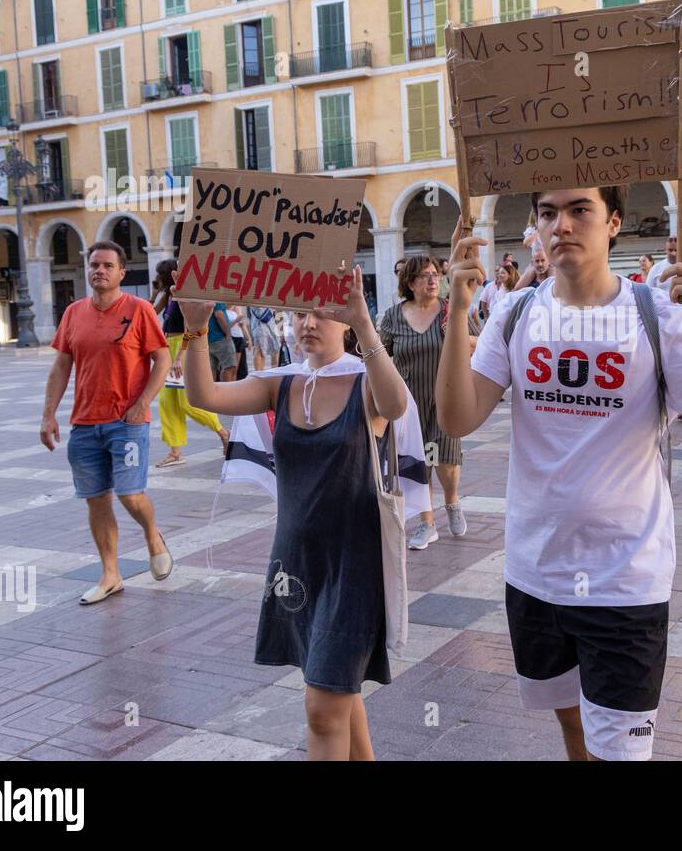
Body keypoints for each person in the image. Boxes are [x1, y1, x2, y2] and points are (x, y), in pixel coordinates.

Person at [436, 185, 682, 761]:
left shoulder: (655, 314)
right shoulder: (516, 311)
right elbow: (458, 417)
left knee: (620, 753)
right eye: (549, 213)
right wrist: (456, 306)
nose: (563, 225)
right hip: (536, 571)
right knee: (576, 733)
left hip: (625, 577)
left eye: (581, 211)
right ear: (535, 227)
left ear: (614, 223)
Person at [177, 265, 416, 761]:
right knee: (340, 694)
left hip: (354, 565)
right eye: (299, 313)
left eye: (323, 313)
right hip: (297, 562)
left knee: (321, 708)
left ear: (345, 321)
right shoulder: (279, 385)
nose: (309, 322)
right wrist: (196, 327)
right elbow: (204, 396)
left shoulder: (363, 383)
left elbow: (395, 405)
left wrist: (365, 326)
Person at [39, 241, 173, 605]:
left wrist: (143, 403)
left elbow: (162, 359)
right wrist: (49, 413)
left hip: (127, 421)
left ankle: (152, 535)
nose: (99, 270)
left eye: (107, 265)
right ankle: (110, 574)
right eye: (94, 264)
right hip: (84, 423)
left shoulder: (139, 309)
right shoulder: (73, 313)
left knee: (130, 494)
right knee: (96, 501)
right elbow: (62, 365)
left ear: (121, 272)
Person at [378, 256, 470, 548]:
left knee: (446, 460)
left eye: (435, 275)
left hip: (446, 399)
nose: (433, 281)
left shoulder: (450, 310)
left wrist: (458, 336)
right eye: (424, 276)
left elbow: (477, 342)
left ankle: (452, 502)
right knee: (420, 462)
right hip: (410, 403)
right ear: (410, 283)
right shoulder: (394, 316)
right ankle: (427, 524)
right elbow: (381, 355)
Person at [153, 259, 228, 468]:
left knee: (187, 402)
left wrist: (179, 357)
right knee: (167, 402)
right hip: (168, 346)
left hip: (181, 347)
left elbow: (190, 327)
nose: (157, 278)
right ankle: (175, 452)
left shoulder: (183, 296)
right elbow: (150, 313)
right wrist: (155, 293)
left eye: (159, 275)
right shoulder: (168, 295)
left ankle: (223, 432)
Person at [206, 301, 238, 382]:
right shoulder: (216, 295)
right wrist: (228, 333)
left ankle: (212, 393)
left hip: (210, 337)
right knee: (229, 366)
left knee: (212, 368)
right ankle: (226, 392)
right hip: (220, 337)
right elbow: (219, 315)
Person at [248, 305, 281, 371]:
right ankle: (259, 374)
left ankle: (275, 373)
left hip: (272, 323)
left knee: (276, 349)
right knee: (260, 350)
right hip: (259, 324)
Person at [227, 306, 251, 380]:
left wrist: (248, 338)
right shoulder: (221, 308)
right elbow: (224, 327)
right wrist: (236, 320)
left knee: (237, 369)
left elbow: (242, 324)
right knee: (229, 368)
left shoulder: (237, 307)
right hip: (230, 338)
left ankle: (234, 387)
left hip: (239, 339)